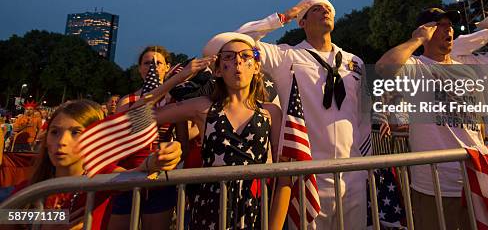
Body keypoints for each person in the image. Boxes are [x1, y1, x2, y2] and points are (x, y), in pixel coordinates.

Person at [236, 0, 372, 229]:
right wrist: (283, 17)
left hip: (353, 174)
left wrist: (365, 167)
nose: (325, 11)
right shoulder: (286, 56)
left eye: (328, 8)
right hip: (309, 176)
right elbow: (237, 41)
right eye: (316, 9)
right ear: (302, 22)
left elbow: (363, 118)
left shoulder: (354, 62)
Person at [143, 32, 288, 230]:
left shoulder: (270, 112)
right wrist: (178, 78)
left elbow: (284, 175)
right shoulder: (202, 107)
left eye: (245, 56)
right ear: (218, 71)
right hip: (209, 210)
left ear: (256, 68)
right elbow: (138, 116)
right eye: (228, 56)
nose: (237, 61)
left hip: (255, 211)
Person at [376, 8, 486, 230]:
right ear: (426, 31)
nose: (449, 30)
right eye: (441, 25)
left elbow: (479, 121)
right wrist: (417, 39)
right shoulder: (416, 67)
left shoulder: (468, 71)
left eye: (450, 25)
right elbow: (383, 68)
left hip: (475, 177)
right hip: (434, 184)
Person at [11, 100, 181, 230]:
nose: (61, 142)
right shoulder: (33, 187)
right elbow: (5, 217)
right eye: (54, 132)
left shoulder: (101, 178)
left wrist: (163, 156)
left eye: (76, 132)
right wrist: (46, 222)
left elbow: (136, 173)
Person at [110, 46, 179, 230]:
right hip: (127, 176)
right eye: (147, 63)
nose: (153, 67)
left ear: (167, 67)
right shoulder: (127, 101)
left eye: (158, 63)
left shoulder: (175, 102)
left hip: (161, 179)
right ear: (140, 68)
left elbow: (185, 139)